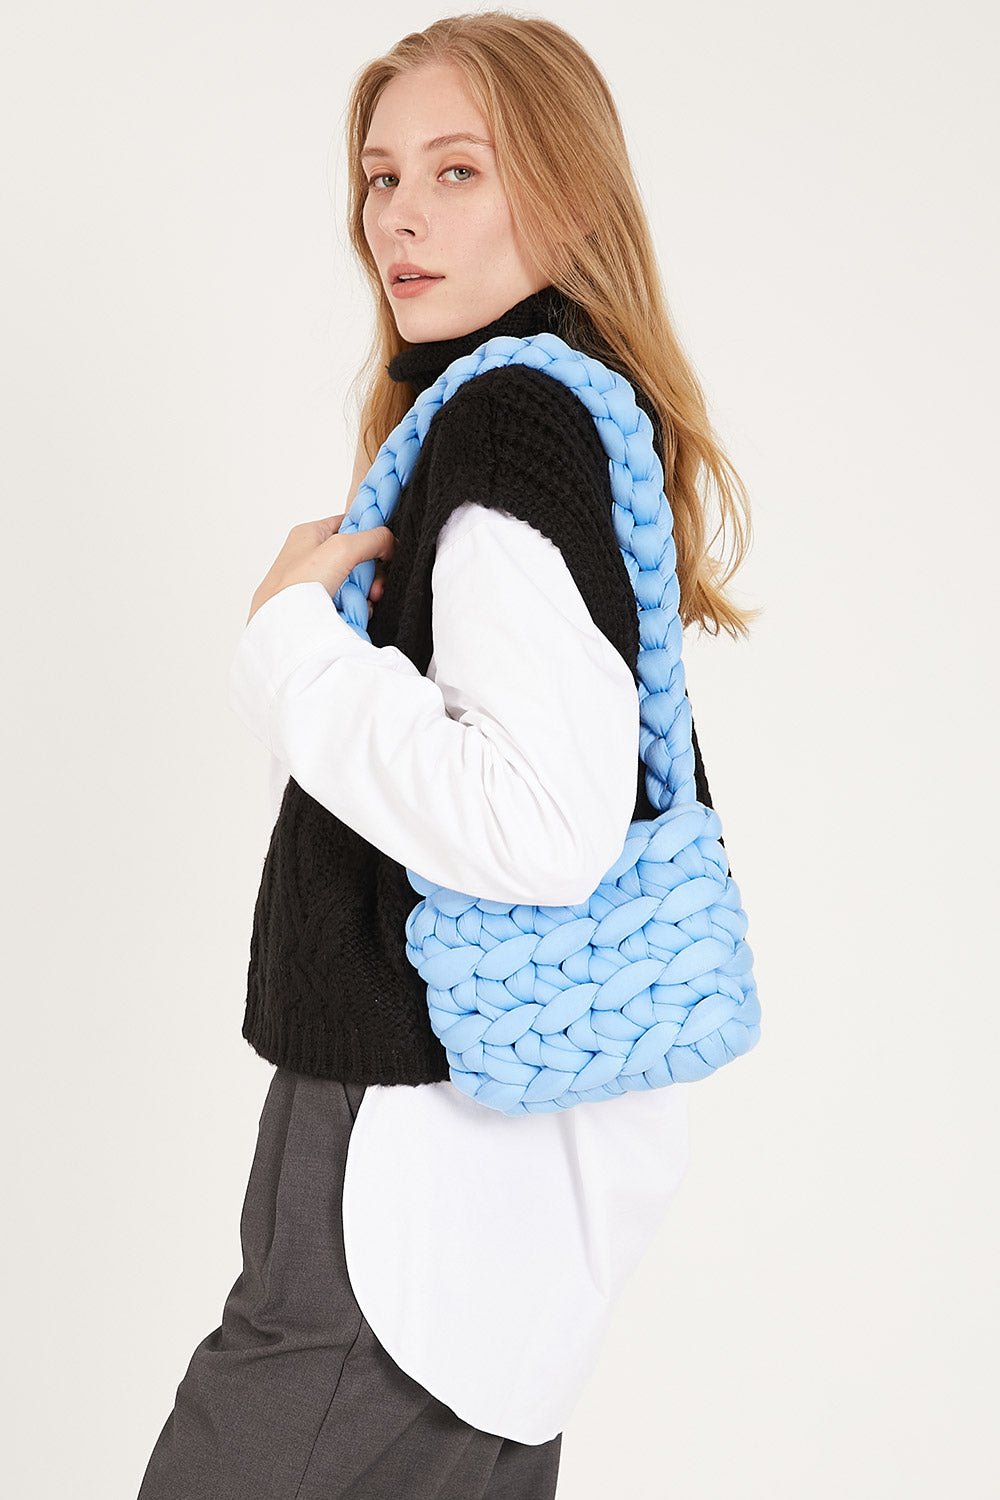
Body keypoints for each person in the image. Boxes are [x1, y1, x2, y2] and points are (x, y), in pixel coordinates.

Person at [136, 13, 757, 1499]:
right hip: (499, 1170)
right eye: (382, 176)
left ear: (571, 196)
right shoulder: (561, 411)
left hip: (402, 1153)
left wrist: (292, 645)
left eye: (457, 170)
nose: (399, 216)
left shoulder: (505, 423)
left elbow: (540, 823)